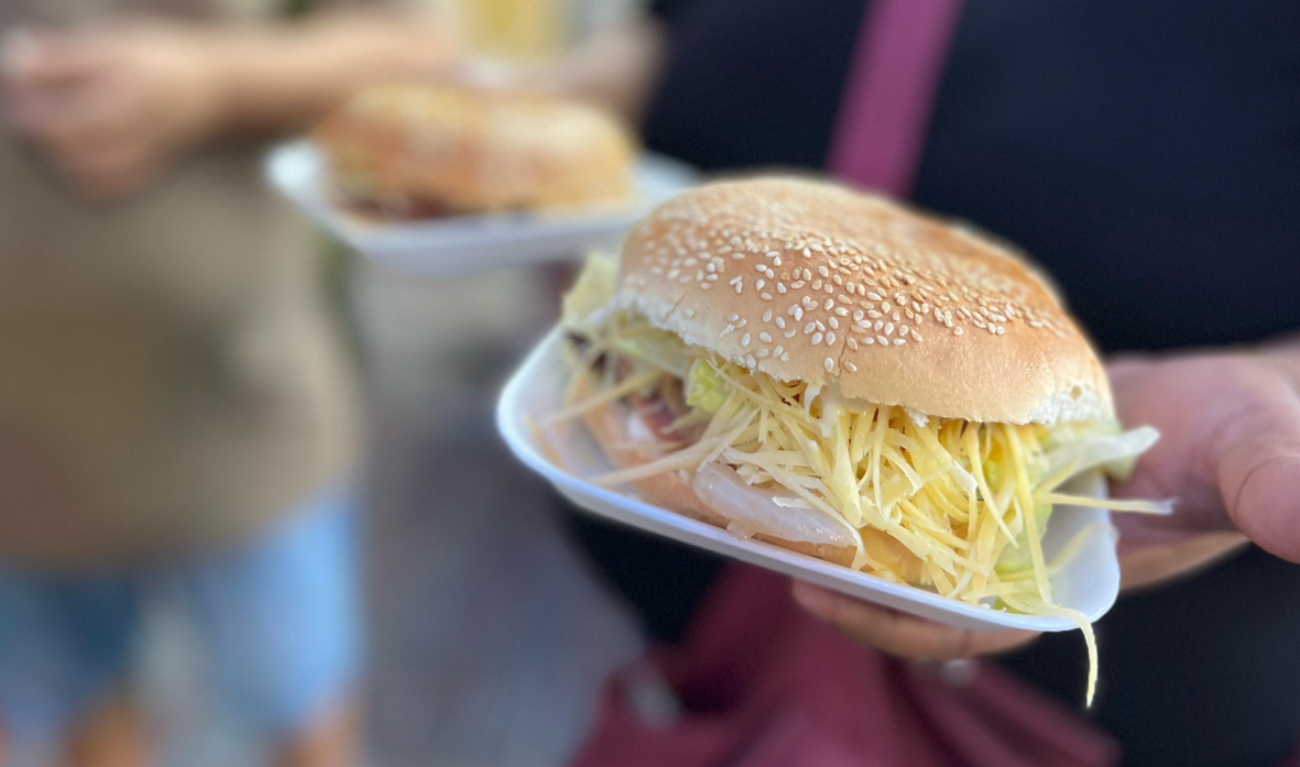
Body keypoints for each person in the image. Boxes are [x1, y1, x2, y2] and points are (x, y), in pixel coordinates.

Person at [519, 1, 1300, 765]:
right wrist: (535, 112)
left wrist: (1275, 378)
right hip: (645, 636)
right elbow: (672, 30)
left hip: (1094, 707)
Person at [0, 4, 452, 766]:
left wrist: (209, 80)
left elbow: (418, 51)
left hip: (245, 424)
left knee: (307, 713)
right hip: (25, 457)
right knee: (89, 717)